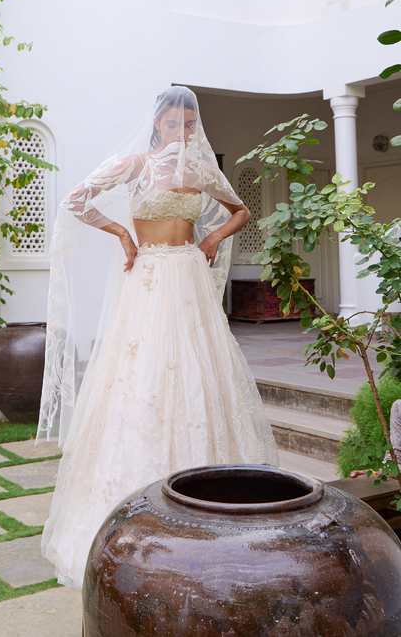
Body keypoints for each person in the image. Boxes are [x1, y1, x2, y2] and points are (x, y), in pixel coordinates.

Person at [37, 86, 279, 588]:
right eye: (173, 125)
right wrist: (122, 234)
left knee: (199, 371)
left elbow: (241, 211)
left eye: (189, 126)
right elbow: (76, 199)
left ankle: (212, 500)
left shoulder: (202, 171)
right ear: (158, 126)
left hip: (189, 275)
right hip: (147, 278)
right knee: (141, 374)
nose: (182, 133)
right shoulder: (136, 165)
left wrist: (211, 237)